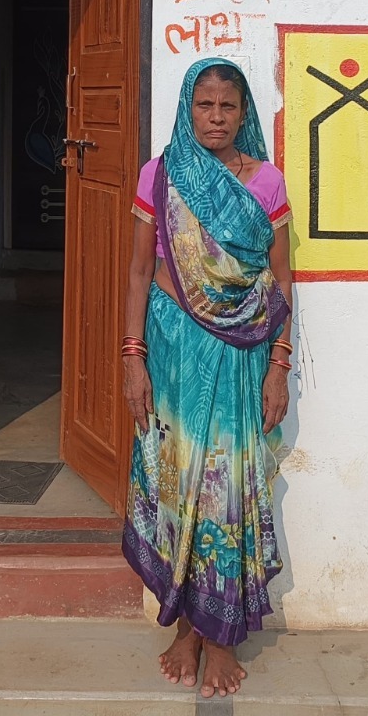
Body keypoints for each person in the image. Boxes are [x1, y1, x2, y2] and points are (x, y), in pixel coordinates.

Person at [120, 57, 294, 699]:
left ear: (243, 114)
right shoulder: (161, 174)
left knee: (226, 487)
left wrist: (279, 366)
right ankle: (189, 628)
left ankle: (220, 636)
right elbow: (140, 272)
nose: (215, 117)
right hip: (172, 353)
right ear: (187, 109)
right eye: (204, 105)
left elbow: (282, 277)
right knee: (177, 484)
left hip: (241, 356)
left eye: (227, 106)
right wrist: (133, 358)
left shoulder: (266, 183)